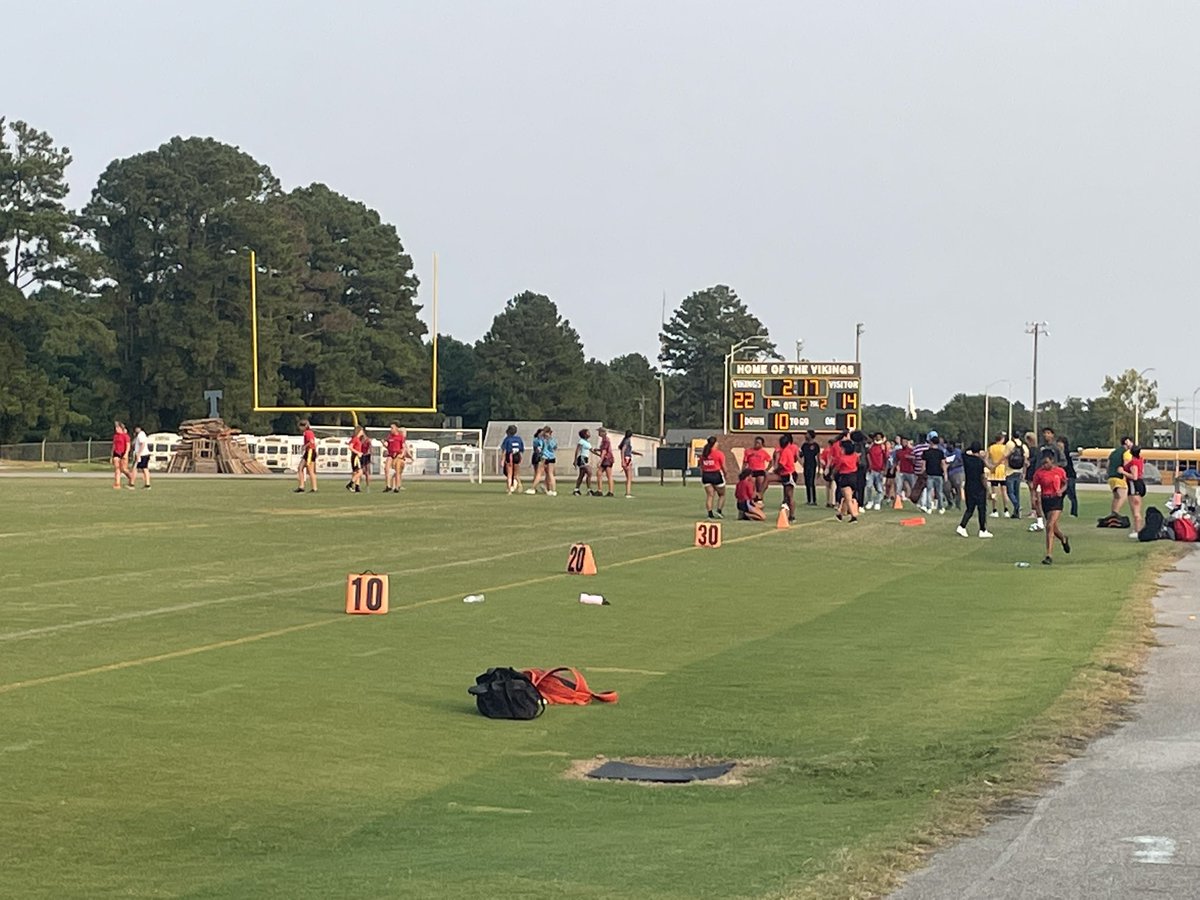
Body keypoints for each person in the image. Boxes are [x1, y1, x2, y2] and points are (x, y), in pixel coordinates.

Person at [1030, 449, 1071, 564]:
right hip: (1045, 499)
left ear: (1052, 461)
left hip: (1056, 500)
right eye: (1043, 463)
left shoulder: (1060, 471)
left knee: (1049, 525)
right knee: (1053, 527)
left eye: (1046, 463)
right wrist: (1034, 499)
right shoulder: (1039, 473)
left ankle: (1049, 555)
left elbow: (1065, 483)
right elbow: (1034, 487)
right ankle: (1063, 538)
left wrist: (1061, 491)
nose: (1044, 465)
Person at [954, 442, 994, 539]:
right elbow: (983, 477)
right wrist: (988, 490)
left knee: (970, 509)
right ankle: (982, 529)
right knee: (982, 509)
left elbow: (963, 452)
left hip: (968, 486)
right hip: (979, 487)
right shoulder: (979, 462)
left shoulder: (966, 459)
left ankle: (962, 526)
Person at [699, 436, 726, 519]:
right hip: (715, 474)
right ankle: (719, 511)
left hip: (706, 475)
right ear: (715, 443)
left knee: (710, 495)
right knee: (722, 494)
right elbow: (723, 466)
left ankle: (710, 514)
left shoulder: (704, 453)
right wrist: (725, 474)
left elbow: (701, 466)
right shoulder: (719, 454)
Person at [833, 437, 860, 522]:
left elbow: (837, 468)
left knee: (848, 499)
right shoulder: (855, 456)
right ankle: (840, 514)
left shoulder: (842, 458)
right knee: (846, 497)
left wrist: (833, 473)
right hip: (854, 477)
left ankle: (853, 516)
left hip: (845, 477)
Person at [773, 433, 799, 520]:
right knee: (787, 495)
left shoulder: (785, 451)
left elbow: (781, 464)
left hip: (789, 474)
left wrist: (776, 470)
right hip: (786, 474)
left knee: (789, 495)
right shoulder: (787, 450)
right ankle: (788, 514)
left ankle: (792, 515)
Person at [1122, 445, 1147, 538]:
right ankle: (1137, 528)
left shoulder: (1133, 463)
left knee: (1135, 511)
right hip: (1139, 484)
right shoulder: (1140, 460)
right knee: (1137, 509)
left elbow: (1134, 476)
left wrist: (1123, 472)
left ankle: (1138, 531)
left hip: (1134, 485)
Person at [1107, 436, 1134, 517]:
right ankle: (1115, 515)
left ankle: (1113, 513)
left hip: (1111, 477)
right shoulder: (1126, 452)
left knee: (1116, 497)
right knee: (1122, 497)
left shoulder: (1114, 452)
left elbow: (1108, 464)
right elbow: (1126, 464)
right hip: (1120, 477)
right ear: (1127, 442)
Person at [922, 432, 947, 515]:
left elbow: (924, 464)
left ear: (931, 442)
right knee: (939, 492)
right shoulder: (940, 452)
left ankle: (929, 507)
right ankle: (941, 507)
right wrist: (945, 473)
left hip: (930, 474)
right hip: (939, 474)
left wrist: (923, 471)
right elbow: (943, 463)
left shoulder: (926, 452)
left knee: (929, 491)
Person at [986, 432, 1010, 518]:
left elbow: (986, 458)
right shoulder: (1005, 448)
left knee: (994, 491)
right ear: (1002, 439)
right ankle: (1006, 510)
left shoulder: (991, 448)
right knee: (1004, 491)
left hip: (994, 470)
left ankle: (994, 510)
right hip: (1002, 469)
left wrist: (990, 466)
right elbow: (1006, 459)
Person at [1004, 432, 1027, 520]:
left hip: (1010, 470)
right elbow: (1025, 460)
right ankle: (1016, 513)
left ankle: (1017, 506)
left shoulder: (1010, 444)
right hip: (1019, 470)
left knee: (1010, 492)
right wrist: (1024, 472)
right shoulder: (1023, 446)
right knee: (1017, 493)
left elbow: (1005, 456)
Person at [743, 436, 771, 501]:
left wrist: (767, 469)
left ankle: (760, 501)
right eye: (755, 442)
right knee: (752, 488)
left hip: (760, 471)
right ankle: (752, 502)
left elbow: (770, 461)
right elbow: (745, 462)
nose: (756, 444)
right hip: (751, 471)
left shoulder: (763, 452)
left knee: (760, 489)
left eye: (758, 443)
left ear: (762, 444)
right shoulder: (748, 451)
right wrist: (743, 471)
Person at [1057, 435, 1078, 517]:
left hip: (1069, 476)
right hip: (1062, 476)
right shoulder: (1058, 453)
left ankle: (1074, 512)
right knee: (1061, 495)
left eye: (1060, 443)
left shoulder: (1066, 453)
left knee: (1072, 495)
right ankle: (1058, 510)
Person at [865, 432, 887, 510]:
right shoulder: (871, 446)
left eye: (879, 437)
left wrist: (884, 469)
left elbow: (886, 458)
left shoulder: (883, 447)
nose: (877, 438)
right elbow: (867, 455)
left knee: (880, 488)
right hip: (871, 470)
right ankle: (869, 501)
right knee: (869, 487)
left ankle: (877, 502)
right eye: (876, 437)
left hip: (879, 470)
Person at [500, 425, 524, 494]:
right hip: (517, 456)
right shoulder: (519, 439)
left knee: (509, 474)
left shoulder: (507, 439)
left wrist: (502, 460)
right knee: (516, 473)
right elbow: (521, 449)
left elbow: (504, 450)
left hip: (510, 456)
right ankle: (519, 484)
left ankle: (509, 489)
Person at [617, 430, 641, 498]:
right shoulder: (627, 441)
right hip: (627, 459)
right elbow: (623, 450)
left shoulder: (625, 440)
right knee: (629, 477)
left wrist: (637, 453)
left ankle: (628, 492)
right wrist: (623, 461)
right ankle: (628, 493)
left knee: (628, 477)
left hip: (627, 458)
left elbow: (629, 450)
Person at [295, 419, 317, 492]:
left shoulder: (308, 432)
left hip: (310, 451)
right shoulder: (306, 432)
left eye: (300, 427)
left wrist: (305, 446)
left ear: (304, 426)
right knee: (300, 468)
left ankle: (314, 488)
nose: (299, 429)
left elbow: (312, 441)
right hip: (308, 452)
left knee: (310, 471)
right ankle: (301, 486)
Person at [592, 427, 616, 497]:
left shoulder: (606, 440)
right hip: (606, 459)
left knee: (609, 475)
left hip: (607, 459)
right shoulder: (603, 440)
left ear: (603, 432)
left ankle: (610, 491)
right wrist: (598, 450)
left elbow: (604, 451)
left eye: (599, 432)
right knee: (599, 473)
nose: (598, 433)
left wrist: (600, 461)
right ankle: (600, 490)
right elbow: (603, 449)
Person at [799, 430, 821, 506]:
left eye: (807, 434)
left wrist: (819, 469)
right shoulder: (804, 445)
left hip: (813, 465)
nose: (805, 436)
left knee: (812, 482)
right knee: (807, 482)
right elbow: (800, 455)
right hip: (806, 465)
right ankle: (808, 499)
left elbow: (818, 457)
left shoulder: (815, 445)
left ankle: (814, 500)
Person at [111, 422, 134, 490]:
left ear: (121, 428)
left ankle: (131, 478)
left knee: (123, 469)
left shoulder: (125, 436)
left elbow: (128, 445)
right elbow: (114, 445)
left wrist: (126, 454)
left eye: (118, 427)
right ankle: (117, 484)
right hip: (116, 453)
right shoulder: (115, 436)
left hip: (123, 453)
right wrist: (112, 455)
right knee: (117, 468)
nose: (116, 429)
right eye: (116, 427)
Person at [573, 429, 595, 496]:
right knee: (589, 472)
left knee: (581, 475)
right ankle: (589, 490)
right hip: (582, 458)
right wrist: (575, 460)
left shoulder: (588, 443)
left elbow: (591, 450)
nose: (589, 434)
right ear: (585, 434)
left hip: (586, 459)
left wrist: (599, 454)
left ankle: (576, 490)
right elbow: (577, 450)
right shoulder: (581, 441)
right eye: (588, 432)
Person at [384, 423, 405, 493]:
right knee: (386, 468)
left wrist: (401, 454)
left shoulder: (400, 437)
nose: (391, 429)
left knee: (397, 470)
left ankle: (397, 486)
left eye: (392, 428)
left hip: (398, 455)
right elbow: (387, 446)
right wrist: (384, 444)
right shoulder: (390, 436)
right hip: (391, 454)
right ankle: (388, 486)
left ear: (396, 428)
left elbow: (403, 447)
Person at [896, 436, 916, 506]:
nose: (903, 443)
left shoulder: (911, 451)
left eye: (905, 442)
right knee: (899, 486)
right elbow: (897, 460)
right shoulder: (899, 451)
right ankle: (897, 501)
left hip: (910, 471)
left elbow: (916, 459)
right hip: (902, 471)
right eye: (902, 442)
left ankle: (915, 500)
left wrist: (910, 457)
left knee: (913, 486)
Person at [944, 441, 964, 510]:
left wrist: (953, 464)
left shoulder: (958, 452)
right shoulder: (946, 452)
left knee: (958, 488)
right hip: (948, 472)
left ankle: (958, 505)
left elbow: (961, 461)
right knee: (946, 489)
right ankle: (950, 503)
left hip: (957, 472)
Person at [540, 426, 559, 496]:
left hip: (547, 457)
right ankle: (548, 488)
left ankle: (553, 489)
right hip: (550, 457)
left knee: (550, 474)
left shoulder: (547, 440)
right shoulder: (551, 439)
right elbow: (555, 447)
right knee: (548, 473)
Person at [346, 426, 365, 493]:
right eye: (362, 430)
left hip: (357, 457)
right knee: (360, 472)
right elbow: (350, 447)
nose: (363, 432)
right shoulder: (355, 439)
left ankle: (357, 487)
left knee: (357, 472)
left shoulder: (358, 439)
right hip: (355, 457)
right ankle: (350, 484)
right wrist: (358, 452)